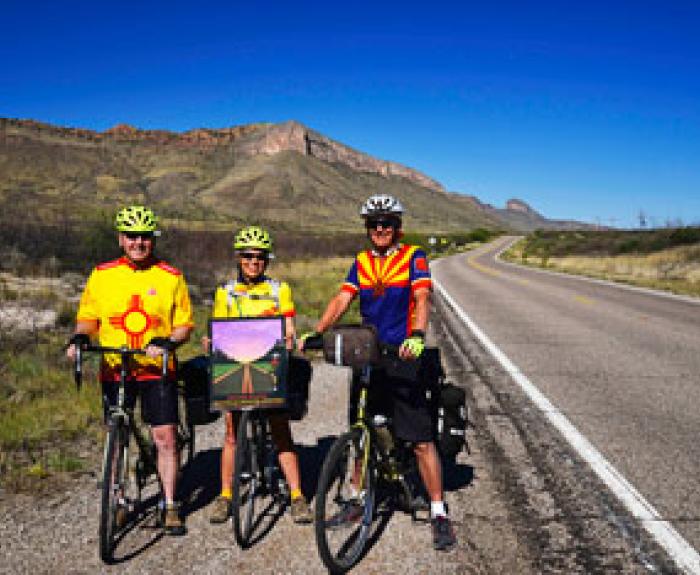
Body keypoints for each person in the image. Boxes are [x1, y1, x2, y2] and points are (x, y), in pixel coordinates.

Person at [299, 194, 457, 551]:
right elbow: (343, 299)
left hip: (403, 354)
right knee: (361, 429)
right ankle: (357, 499)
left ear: (397, 227)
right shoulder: (362, 262)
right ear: (367, 228)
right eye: (374, 223)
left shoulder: (413, 257)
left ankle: (438, 510)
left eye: (387, 223)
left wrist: (417, 335)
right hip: (369, 353)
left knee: (420, 439)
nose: (380, 228)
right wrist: (319, 331)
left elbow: (422, 298)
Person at [66, 205, 193, 536]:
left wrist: (169, 341)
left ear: (153, 239)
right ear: (121, 239)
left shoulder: (171, 276)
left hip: (155, 368)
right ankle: (118, 499)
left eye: (145, 237)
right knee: (116, 433)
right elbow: (88, 317)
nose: (139, 242)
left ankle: (170, 504)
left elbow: (184, 325)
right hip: (115, 366)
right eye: (132, 236)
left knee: (165, 436)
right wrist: (81, 337)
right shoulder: (102, 274)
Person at [207, 225, 313, 525]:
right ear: (239, 258)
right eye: (248, 257)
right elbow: (219, 328)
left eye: (260, 257)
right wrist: (210, 341)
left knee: (280, 430)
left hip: (268, 365)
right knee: (232, 434)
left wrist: (289, 339)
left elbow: (288, 327)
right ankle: (225, 495)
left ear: (267, 260)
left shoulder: (279, 290)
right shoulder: (226, 292)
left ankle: (297, 496)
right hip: (236, 364)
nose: (254, 262)